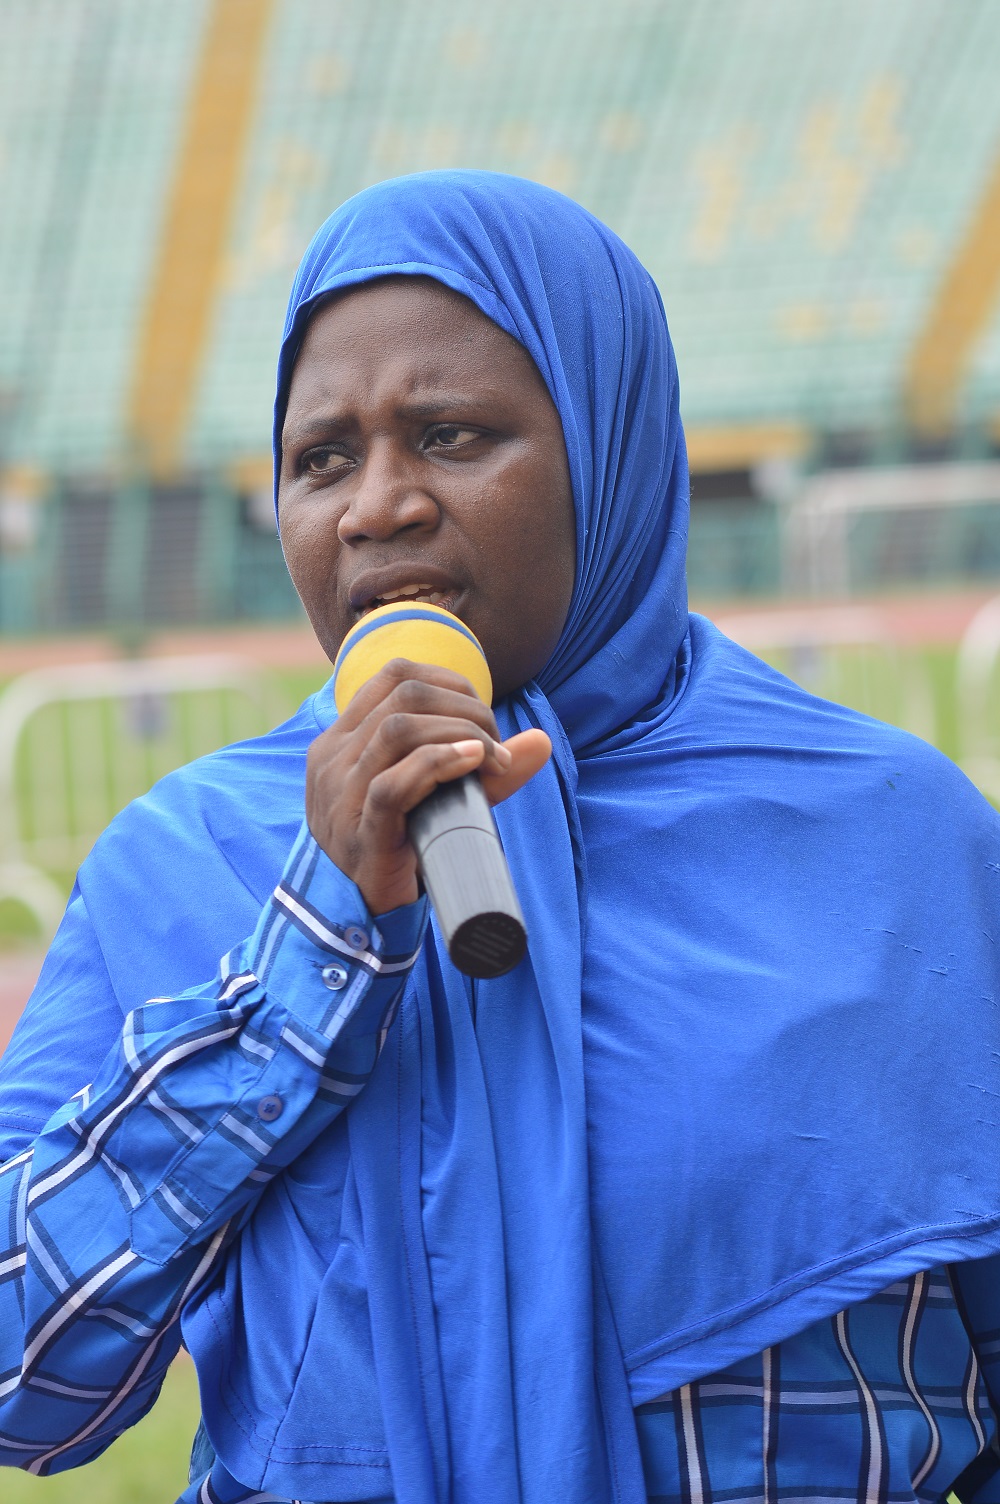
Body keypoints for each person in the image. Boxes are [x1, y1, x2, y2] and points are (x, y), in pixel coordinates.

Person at [1, 170, 1000, 1504]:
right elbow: (22, 1389)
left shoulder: (898, 834)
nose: (378, 507)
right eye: (323, 459)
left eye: (454, 435)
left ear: (610, 447)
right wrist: (311, 955)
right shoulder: (185, 859)